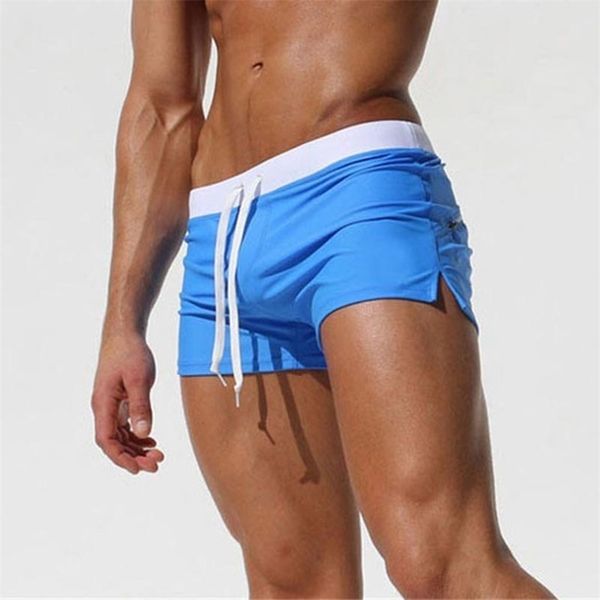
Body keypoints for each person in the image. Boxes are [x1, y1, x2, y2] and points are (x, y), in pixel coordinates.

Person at [91, 1, 555, 597]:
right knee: (295, 583)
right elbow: (161, 106)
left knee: (442, 564)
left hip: (357, 193)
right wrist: (123, 323)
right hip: (222, 242)